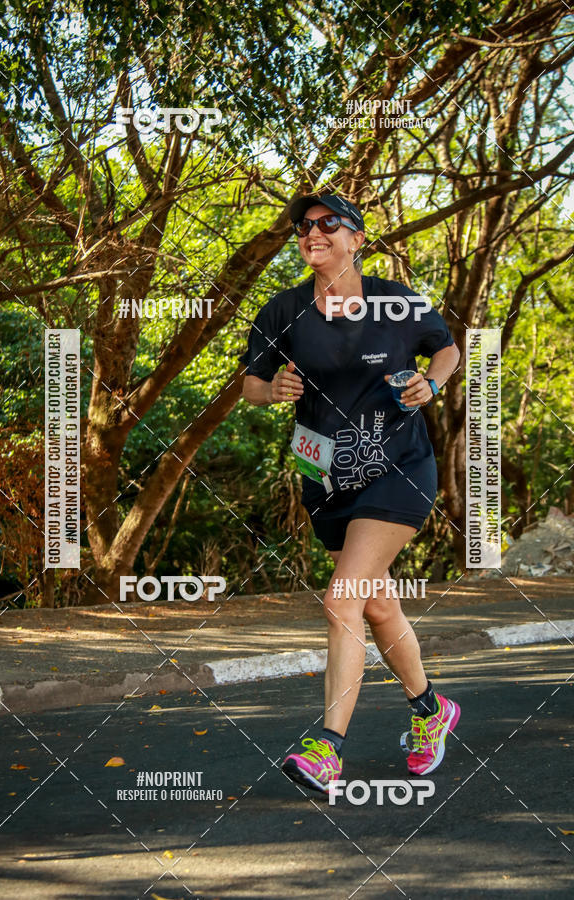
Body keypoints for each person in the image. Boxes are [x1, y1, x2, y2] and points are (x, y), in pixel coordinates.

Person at [238, 191, 462, 794]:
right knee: (377, 604)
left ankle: (327, 748)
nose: (313, 233)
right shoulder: (284, 310)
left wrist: (432, 385)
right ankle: (431, 711)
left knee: (343, 598)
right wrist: (274, 387)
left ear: (357, 237)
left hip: (399, 467)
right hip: (327, 477)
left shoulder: (394, 300)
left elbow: (446, 348)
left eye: (327, 224)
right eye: (303, 227)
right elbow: (249, 386)